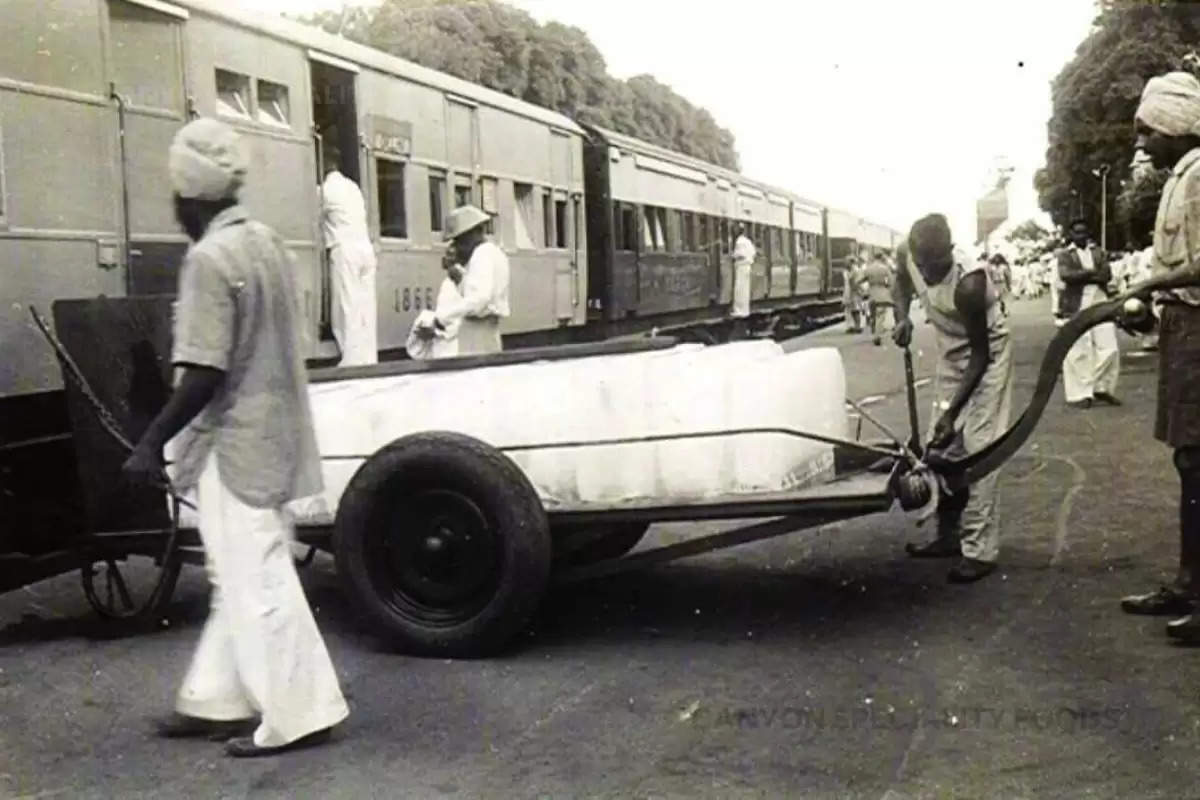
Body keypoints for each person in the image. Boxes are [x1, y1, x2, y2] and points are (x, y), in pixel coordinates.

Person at [122, 118, 349, 756]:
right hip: (275, 435)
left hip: (234, 443)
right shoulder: (267, 243)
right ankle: (217, 698)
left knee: (257, 579)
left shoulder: (208, 259)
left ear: (186, 200)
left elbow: (203, 372)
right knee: (237, 571)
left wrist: (150, 442)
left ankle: (301, 714)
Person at [1116, 71, 1200, 642]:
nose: (1142, 142)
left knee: (1198, 463)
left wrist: (1149, 288)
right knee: (1189, 461)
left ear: (1175, 123)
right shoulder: (1181, 177)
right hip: (1181, 326)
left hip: (1198, 327)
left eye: (1148, 130)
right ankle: (1189, 583)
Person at [893, 213, 1014, 583]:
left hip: (987, 357)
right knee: (939, 448)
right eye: (924, 267)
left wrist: (954, 413)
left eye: (937, 266)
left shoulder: (970, 283)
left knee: (980, 449)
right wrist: (902, 318)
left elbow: (979, 355)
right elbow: (900, 284)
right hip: (949, 354)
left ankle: (979, 552)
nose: (929, 275)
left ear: (949, 251)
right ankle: (948, 537)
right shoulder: (907, 254)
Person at [416, 204, 510, 355]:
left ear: (473, 233)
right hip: (490, 330)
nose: (457, 246)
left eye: (460, 240)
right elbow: (477, 291)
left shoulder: (481, 255)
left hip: (475, 333)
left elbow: (478, 299)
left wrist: (440, 320)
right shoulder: (497, 253)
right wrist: (459, 278)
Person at [321, 146, 378, 367]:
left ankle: (351, 359)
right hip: (365, 247)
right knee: (365, 307)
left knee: (347, 305)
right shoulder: (353, 187)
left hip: (344, 249)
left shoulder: (325, 190)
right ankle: (368, 357)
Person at [1056, 218, 1120, 408]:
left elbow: (1106, 274)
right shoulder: (1065, 254)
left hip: (1100, 299)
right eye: (1077, 232)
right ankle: (1079, 394)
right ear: (1071, 234)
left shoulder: (1098, 252)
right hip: (1076, 303)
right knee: (1078, 349)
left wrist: (1083, 274)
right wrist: (1091, 273)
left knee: (1110, 347)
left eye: (1084, 232)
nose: (1081, 235)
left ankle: (1101, 387)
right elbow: (1066, 275)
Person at [406, 250, 465, 359]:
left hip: (454, 347)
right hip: (441, 346)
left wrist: (438, 332)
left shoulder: (464, 284)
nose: (446, 259)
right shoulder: (447, 283)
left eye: (451, 255)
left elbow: (464, 319)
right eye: (447, 255)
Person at [862, 251, 895, 346]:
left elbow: (859, 280)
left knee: (873, 316)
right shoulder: (885, 268)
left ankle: (874, 331)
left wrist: (867, 284)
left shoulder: (868, 268)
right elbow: (891, 282)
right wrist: (886, 286)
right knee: (880, 316)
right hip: (882, 294)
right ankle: (877, 336)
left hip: (871, 294)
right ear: (882, 258)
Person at [730, 222, 756, 338]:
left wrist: (733, 256)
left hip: (741, 266)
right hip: (747, 266)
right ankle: (743, 310)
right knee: (743, 290)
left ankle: (739, 311)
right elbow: (753, 253)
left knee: (740, 290)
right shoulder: (747, 241)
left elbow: (739, 254)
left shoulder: (739, 242)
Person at [843, 255, 864, 333]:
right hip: (850, 292)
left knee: (856, 310)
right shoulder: (849, 270)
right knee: (852, 310)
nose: (845, 263)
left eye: (846, 262)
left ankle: (858, 327)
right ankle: (854, 326)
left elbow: (855, 282)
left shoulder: (855, 270)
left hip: (855, 292)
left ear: (851, 262)